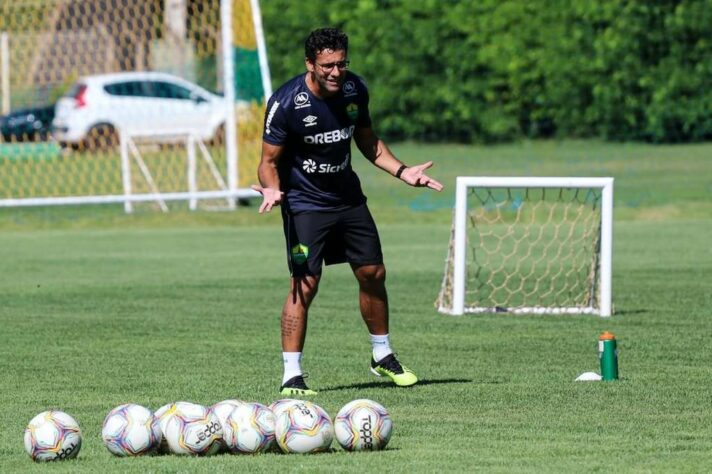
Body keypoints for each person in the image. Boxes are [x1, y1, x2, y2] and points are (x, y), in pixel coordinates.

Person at [252, 27, 443, 396]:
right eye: (327, 66)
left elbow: (367, 141)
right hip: (304, 204)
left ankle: (382, 355)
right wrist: (273, 188)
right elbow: (268, 161)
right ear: (310, 64)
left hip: (347, 198)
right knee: (305, 283)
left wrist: (403, 172)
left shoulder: (355, 90)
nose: (336, 72)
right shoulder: (286, 103)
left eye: (341, 64)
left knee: (373, 272)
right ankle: (292, 375)